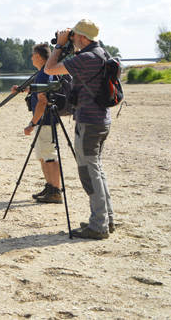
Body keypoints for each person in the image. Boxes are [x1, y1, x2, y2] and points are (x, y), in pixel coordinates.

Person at [45, 19, 114, 240]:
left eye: (74, 36)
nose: (72, 39)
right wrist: (69, 43)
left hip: (89, 121)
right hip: (102, 120)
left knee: (88, 172)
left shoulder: (86, 58)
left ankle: (98, 225)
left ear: (83, 38)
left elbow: (50, 69)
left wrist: (58, 46)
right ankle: (106, 219)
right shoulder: (102, 53)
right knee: (97, 170)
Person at [12, 43, 61, 204]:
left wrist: (32, 124)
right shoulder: (45, 72)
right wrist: (23, 89)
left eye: (33, 54)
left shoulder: (43, 74)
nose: (31, 57)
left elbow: (42, 101)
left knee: (48, 156)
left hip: (45, 122)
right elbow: (41, 90)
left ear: (39, 56)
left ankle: (55, 191)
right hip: (45, 122)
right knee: (43, 156)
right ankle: (50, 187)